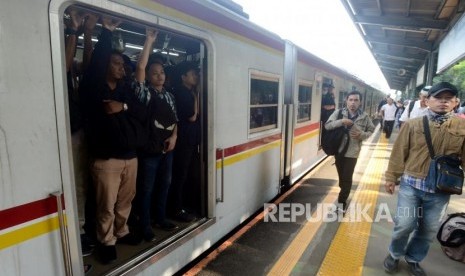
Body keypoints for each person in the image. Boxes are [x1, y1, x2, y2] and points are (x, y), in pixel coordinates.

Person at [79, 16, 146, 264]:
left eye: (122, 64)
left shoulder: (125, 89)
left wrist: (124, 106)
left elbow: (141, 111)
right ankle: (106, 240)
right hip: (106, 158)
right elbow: (96, 65)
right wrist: (105, 33)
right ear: (105, 66)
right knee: (105, 204)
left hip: (130, 156)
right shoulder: (93, 89)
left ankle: (121, 231)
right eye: (116, 63)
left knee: (126, 200)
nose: (122, 67)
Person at [383, 81, 465, 276]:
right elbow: (399, 152)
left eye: (448, 99)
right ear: (428, 101)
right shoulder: (413, 124)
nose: (443, 102)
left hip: (441, 189)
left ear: (455, 102)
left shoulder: (462, 126)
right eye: (438, 98)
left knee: (428, 230)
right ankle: (395, 254)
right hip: (412, 184)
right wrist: (391, 177)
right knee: (405, 224)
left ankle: (413, 259)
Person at [133, 28, 179, 242]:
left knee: (164, 184)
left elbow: (175, 121)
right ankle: (145, 225)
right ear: (148, 77)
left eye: (161, 72)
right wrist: (148, 41)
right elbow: (140, 68)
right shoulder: (144, 93)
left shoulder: (169, 95)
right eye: (154, 73)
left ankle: (160, 218)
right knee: (146, 189)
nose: (159, 75)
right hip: (150, 149)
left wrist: (174, 137)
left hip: (167, 148)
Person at [325, 90, 375, 211]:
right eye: (351, 100)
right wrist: (341, 121)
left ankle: (342, 203)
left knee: (347, 178)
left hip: (353, 152)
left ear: (360, 102)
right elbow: (327, 125)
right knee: (342, 178)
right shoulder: (338, 113)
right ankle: (344, 189)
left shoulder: (365, 117)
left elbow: (371, 130)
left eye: (356, 100)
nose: (353, 103)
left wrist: (361, 135)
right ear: (346, 101)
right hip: (339, 151)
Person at [169, 61, 201, 222]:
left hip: (190, 139)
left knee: (188, 174)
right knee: (180, 176)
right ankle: (176, 209)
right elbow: (193, 116)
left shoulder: (187, 91)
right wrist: (196, 95)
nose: (195, 76)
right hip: (184, 140)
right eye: (192, 74)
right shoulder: (182, 92)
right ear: (183, 77)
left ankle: (184, 205)